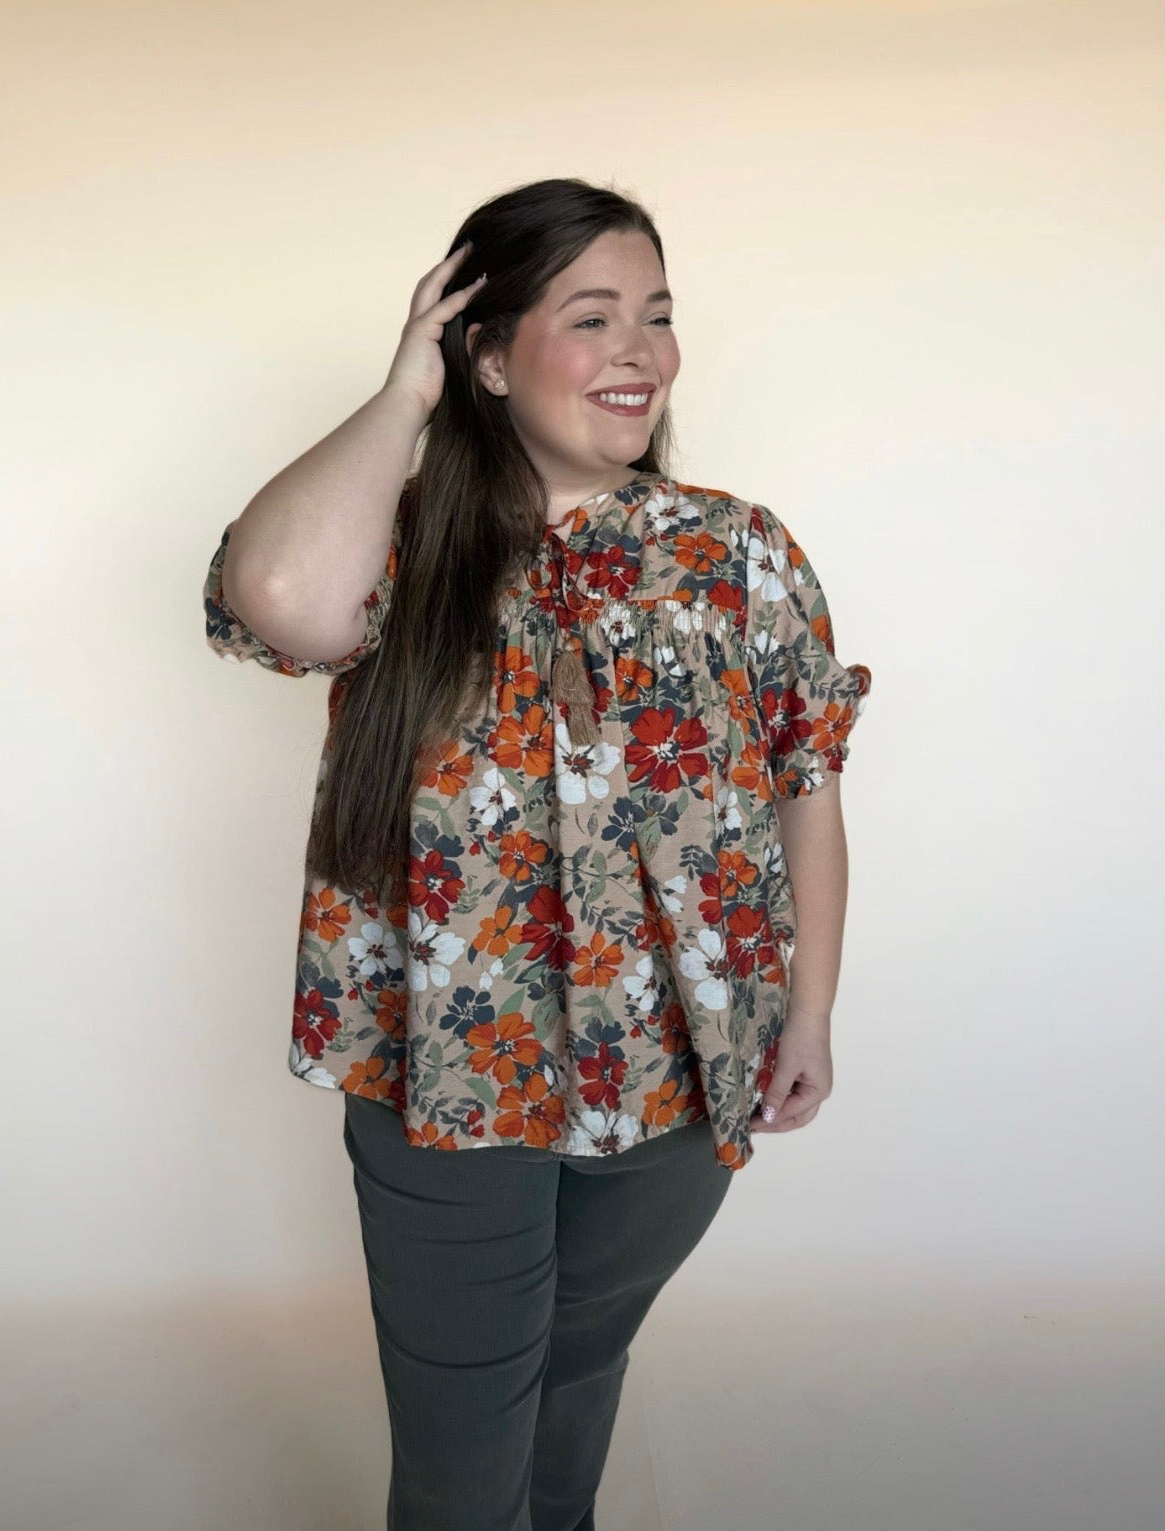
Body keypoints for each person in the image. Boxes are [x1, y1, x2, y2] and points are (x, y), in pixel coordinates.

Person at [203, 177, 872, 1531]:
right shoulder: (396, 545)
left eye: (657, 317)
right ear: (493, 357)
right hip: (449, 1070)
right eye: (591, 318)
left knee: (577, 1362)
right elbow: (274, 603)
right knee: (462, 1445)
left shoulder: (736, 552)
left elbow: (806, 785)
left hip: (680, 1066)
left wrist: (806, 1010)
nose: (639, 353)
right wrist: (404, 392)